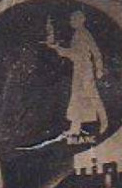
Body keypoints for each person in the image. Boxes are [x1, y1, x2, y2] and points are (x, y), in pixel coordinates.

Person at [44, 11, 108, 142]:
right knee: (76, 97)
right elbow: (74, 54)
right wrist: (58, 48)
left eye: (73, 19)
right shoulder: (77, 34)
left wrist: (99, 69)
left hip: (85, 69)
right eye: (71, 19)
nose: (71, 21)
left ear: (80, 20)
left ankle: (104, 123)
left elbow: (95, 52)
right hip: (79, 68)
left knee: (92, 95)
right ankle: (75, 128)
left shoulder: (84, 33)